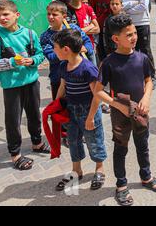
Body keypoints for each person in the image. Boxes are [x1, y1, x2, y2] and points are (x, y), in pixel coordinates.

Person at [94, 14, 156, 206]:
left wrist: (146, 98)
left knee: (143, 145)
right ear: (116, 39)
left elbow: (149, 81)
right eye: (129, 35)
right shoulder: (108, 62)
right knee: (121, 149)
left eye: (134, 33)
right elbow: (98, 91)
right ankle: (121, 185)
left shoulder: (142, 58)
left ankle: (146, 176)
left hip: (141, 110)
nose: (134, 37)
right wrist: (117, 105)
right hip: (120, 113)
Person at [0, 0, 50, 170]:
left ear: (16, 15)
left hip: (32, 82)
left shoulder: (29, 33)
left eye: (6, 14)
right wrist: (13, 62)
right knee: (13, 120)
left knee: (34, 114)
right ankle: (15, 154)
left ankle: (37, 143)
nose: (2, 18)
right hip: (11, 86)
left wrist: (33, 60)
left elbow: (40, 54)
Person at [53, 29, 107, 191]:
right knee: (73, 141)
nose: (54, 51)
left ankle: (99, 168)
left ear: (66, 49)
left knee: (94, 140)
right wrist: (54, 107)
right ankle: (76, 170)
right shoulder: (63, 65)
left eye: (55, 47)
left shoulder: (88, 68)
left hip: (88, 110)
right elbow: (63, 86)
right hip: (71, 111)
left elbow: (97, 95)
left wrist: (91, 117)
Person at [40, 1, 94, 101]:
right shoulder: (45, 36)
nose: (50, 17)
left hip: (80, 75)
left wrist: (86, 48)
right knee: (60, 109)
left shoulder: (73, 28)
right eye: (48, 14)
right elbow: (52, 57)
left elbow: (87, 42)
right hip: (58, 77)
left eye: (55, 14)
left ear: (64, 16)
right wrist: (74, 51)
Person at [114, 0, 156, 86]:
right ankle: (136, 76)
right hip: (127, 25)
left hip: (142, 23)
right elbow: (118, 6)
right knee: (130, 51)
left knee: (145, 51)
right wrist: (132, 3)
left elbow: (143, 6)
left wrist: (125, 9)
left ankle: (151, 77)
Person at [65, 0, 100, 64]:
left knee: (93, 75)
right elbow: (70, 33)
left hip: (89, 48)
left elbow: (97, 29)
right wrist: (90, 26)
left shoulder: (88, 8)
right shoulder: (65, 11)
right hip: (73, 50)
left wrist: (79, 30)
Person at [90, 0, 115, 64]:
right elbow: (92, 13)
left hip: (111, 29)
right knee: (101, 53)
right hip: (99, 29)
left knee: (112, 51)